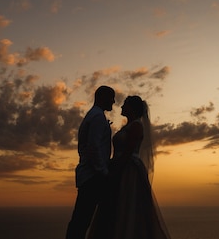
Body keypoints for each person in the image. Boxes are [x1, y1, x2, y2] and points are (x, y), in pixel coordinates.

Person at [86, 95, 171, 239]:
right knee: (118, 206)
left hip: (129, 171)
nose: (122, 106)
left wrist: (113, 171)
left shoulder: (136, 126)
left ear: (131, 108)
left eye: (125, 104)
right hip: (122, 167)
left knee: (128, 205)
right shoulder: (129, 126)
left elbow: (128, 151)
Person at [66, 85, 116, 239]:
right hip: (93, 176)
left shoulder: (93, 115)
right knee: (83, 220)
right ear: (101, 97)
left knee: (83, 219)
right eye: (111, 97)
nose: (113, 102)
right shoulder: (97, 117)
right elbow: (94, 146)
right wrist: (103, 171)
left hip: (89, 174)